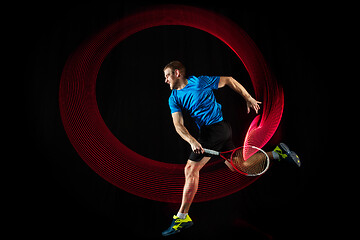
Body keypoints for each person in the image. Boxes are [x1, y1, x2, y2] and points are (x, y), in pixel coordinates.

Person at [161, 61, 300, 236]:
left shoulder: (200, 81)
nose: (165, 80)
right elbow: (178, 125)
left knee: (190, 169)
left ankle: (182, 217)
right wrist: (191, 141)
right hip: (215, 131)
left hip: (216, 130)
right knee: (239, 166)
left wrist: (248, 97)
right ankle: (278, 153)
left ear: (177, 73)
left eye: (167, 75)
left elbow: (229, 80)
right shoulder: (173, 98)